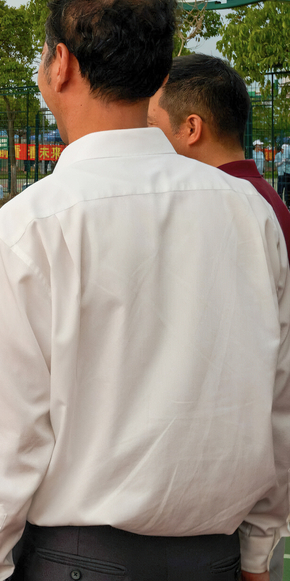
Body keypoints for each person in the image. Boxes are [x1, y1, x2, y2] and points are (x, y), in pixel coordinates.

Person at [0, 0, 290, 581]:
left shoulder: (35, 221)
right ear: (160, 75)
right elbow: (277, 396)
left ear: (60, 64)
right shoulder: (249, 211)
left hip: (79, 558)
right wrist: (259, 549)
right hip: (213, 554)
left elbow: (5, 430)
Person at [148, 53, 290, 581]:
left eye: (150, 125)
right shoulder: (262, 206)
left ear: (191, 128)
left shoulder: (238, 214)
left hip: (230, 504)